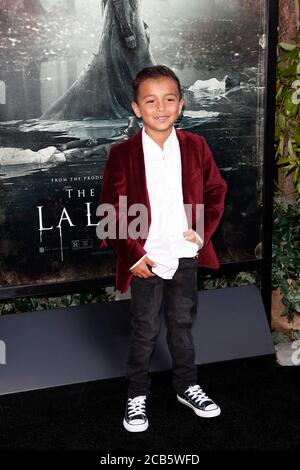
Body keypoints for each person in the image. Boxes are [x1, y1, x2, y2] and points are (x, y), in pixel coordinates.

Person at [98, 65, 227, 432]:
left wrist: (199, 231)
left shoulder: (195, 146)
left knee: (182, 326)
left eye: (169, 99)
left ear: (181, 105)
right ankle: (137, 394)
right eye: (150, 100)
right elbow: (110, 211)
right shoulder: (123, 154)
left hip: (185, 255)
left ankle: (187, 385)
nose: (160, 107)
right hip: (147, 259)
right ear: (136, 108)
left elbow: (216, 190)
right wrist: (133, 254)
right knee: (144, 330)